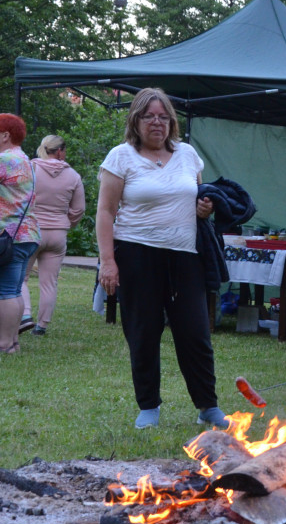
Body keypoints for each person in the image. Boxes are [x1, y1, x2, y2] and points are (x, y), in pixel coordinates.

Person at [96, 87, 228, 430]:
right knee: (143, 332)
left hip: (185, 256)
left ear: (172, 121)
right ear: (136, 120)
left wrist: (204, 209)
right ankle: (149, 408)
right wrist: (108, 261)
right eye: (148, 116)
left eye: (163, 116)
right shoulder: (121, 157)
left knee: (195, 333)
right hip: (136, 254)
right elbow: (106, 212)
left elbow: (197, 200)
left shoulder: (187, 154)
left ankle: (208, 406)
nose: (157, 122)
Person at [19, 135, 85, 336]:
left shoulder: (30, 169)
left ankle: (25, 316)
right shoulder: (73, 176)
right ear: (59, 151)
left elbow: (18, 197)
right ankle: (42, 326)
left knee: (21, 279)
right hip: (57, 235)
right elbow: (79, 209)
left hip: (31, 231)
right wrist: (66, 224)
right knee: (49, 282)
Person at [0, 114, 39, 354]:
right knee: (13, 289)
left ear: (5, 135)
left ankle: (4, 345)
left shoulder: (5, 159)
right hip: (27, 235)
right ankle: (12, 342)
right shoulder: (25, 159)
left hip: (9, 238)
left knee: (5, 291)